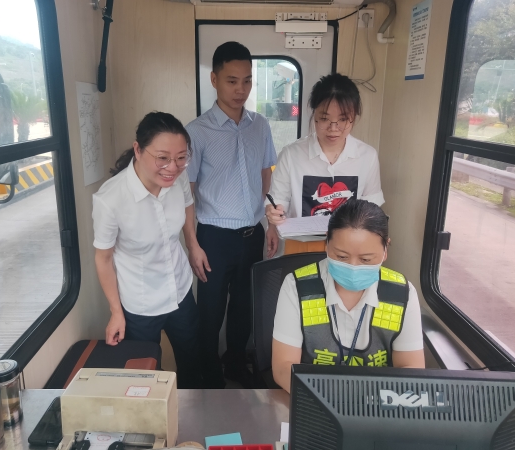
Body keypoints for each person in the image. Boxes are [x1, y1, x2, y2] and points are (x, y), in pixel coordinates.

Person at [183, 41, 277, 388]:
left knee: (244, 308)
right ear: (214, 80)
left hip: (252, 234)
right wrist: (192, 244)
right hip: (213, 238)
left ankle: (235, 365)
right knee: (210, 313)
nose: (241, 89)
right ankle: (210, 377)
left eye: (247, 81)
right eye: (232, 81)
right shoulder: (197, 131)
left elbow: (266, 172)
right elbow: (186, 192)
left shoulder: (259, 125)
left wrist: (266, 219)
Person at [93, 112, 201, 388]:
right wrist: (116, 312)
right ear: (138, 150)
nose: (172, 167)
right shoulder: (111, 198)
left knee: (193, 361)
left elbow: (188, 205)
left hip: (180, 290)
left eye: (181, 158)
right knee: (145, 376)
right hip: (140, 302)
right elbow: (103, 259)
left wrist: (193, 245)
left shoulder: (178, 177)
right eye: (162, 157)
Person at [271, 200, 424, 393]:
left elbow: (411, 369)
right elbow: (283, 368)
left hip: (376, 403)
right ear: (327, 243)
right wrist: (332, 401)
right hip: (314, 400)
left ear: (385, 250)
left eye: (366, 259)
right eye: (341, 257)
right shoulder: (297, 286)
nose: (353, 267)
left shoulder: (401, 293)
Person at [265, 73, 384, 257]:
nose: (333, 128)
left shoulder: (367, 156)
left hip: (348, 250)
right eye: (324, 118)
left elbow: (372, 209)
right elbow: (277, 201)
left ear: (354, 116)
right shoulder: (291, 155)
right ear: (314, 114)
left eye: (343, 119)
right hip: (300, 247)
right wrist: (273, 214)